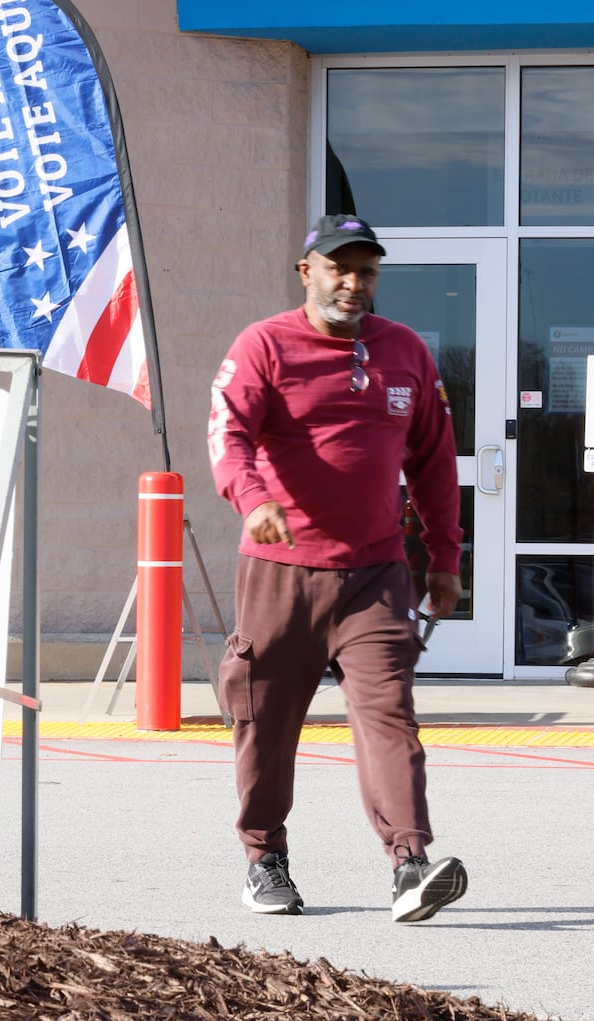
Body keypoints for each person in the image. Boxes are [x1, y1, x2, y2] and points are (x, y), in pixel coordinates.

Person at [206, 213, 468, 922]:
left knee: (390, 715)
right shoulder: (264, 345)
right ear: (307, 273)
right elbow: (228, 435)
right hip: (282, 571)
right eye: (339, 270)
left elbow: (435, 461)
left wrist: (444, 557)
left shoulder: (405, 351)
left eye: (367, 272)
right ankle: (264, 858)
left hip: (377, 575)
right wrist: (252, 498)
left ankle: (411, 862)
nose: (354, 285)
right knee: (264, 719)